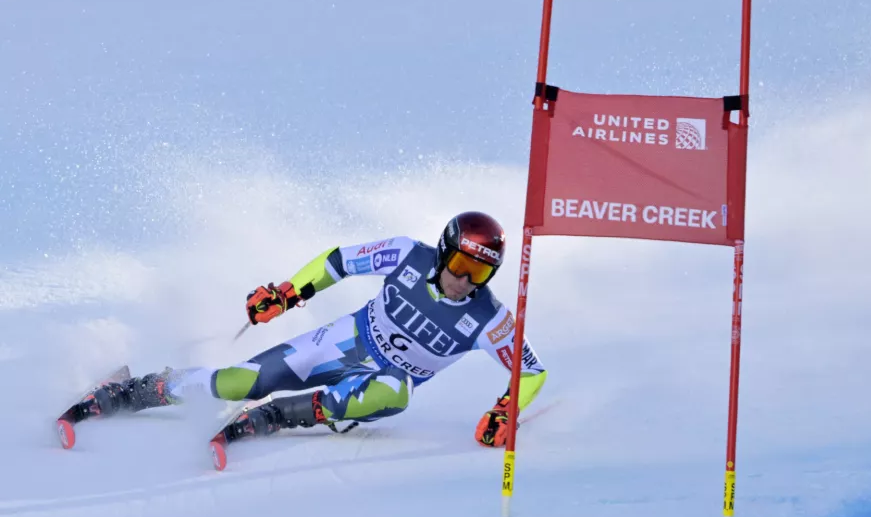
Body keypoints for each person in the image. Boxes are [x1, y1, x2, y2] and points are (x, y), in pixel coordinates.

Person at [62, 211, 547, 451]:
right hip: (345, 340)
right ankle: (135, 390)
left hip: (375, 386)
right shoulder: (407, 254)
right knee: (239, 381)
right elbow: (339, 262)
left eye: (480, 273)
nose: (465, 281)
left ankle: (280, 415)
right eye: (461, 265)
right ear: (444, 251)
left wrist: (506, 410)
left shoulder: (490, 318)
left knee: (397, 389)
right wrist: (289, 293)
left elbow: (531, 372)